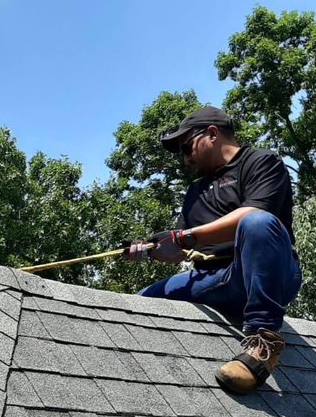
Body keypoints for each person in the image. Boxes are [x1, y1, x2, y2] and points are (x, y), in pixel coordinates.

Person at [126, 106, 302, 394]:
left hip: (264, 275)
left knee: (257, 222)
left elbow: (251, 214)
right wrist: (151, 249)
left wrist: (187, 238)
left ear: (211, 133)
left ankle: (263, 344)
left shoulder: (262, 162)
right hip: (215, 280)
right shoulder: (195, 192)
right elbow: (181, 249)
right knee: (136, 306)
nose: (185, 158)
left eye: (186, 147)